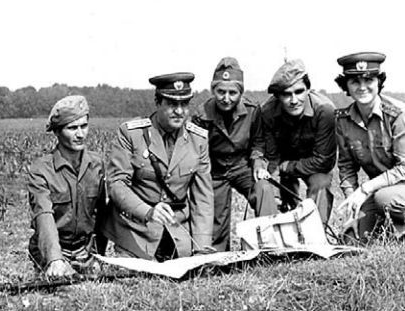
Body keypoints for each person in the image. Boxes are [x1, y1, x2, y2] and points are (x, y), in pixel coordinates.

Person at [102, 72, 214, 261]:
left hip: (178, 232)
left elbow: (203, 198)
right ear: (158, 102)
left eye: (184, 104)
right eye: (172, 104)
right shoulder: (132, 134)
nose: (179, 111)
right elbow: (116, 185)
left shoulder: (198, 140)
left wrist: (201, 248)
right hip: (136, 231)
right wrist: (148, 212)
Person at [191, 57, 277, 251]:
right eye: (221, 92)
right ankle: (218, 256)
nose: (226, 98)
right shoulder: (201, 115)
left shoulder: (253, 110)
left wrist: (257, 163)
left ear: (240, 93)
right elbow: (197, 151)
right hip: (215, 170)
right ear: (213, 91)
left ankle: (270, 245)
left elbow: (258, 142)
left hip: (242, 166)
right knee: (214, 215)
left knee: (264, 188)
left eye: (232, 92)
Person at [27, 95, 107, 277]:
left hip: (86, 251)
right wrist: (55, 259)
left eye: (84, 126)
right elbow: (43, 214)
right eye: (72, 128)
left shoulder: (97, 164)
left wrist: (98, 255)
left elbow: (104, 214)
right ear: (57, 131)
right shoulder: (41, 169)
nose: (80, 134)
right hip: (52, 251)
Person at [255, 59, 336, 224]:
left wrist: (288, 166)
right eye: (286, 94)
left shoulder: (325, 110)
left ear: (308, 89)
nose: (294, 100)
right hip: (281, 163)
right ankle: (277, 235)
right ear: (277, 96)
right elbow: (272, 156)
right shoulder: (268, 112)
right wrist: (275, 193)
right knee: (270, 189)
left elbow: (325, 161)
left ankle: (316, 236)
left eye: (299, 92)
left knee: (321, 182)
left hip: (314, 164)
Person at [335, 52, 405, 241]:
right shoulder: (343, 121)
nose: (362, 87)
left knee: (385, 199)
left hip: (390, 192)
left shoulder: (397, 115)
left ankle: (396, 230)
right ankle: (394, 230)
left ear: (379, 83)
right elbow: (346, 167)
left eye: (369, 80)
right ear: (346, 86)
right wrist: (353, 205)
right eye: (355, 81)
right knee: (351, 239)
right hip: (380, 191)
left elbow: (404, 169)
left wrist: (365, 189)